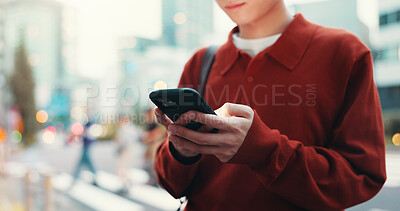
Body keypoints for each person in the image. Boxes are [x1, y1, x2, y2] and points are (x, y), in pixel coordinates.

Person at [154, 0, 386, 210]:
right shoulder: (201, 62)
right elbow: (171, 184)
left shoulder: (343, 52)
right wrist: (182, 151)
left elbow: (362, 177)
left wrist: (263, 150)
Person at [115, 115, 142, 194]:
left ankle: (125, 186)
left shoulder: (125, 129)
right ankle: (126, 185)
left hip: (127, 151)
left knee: (122, 169)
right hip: (130, 151)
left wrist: (119, 146)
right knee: (126, 169)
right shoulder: (131, 128)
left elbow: (124, 141)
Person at [141, 108, 165, 186]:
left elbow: (159, 133)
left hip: (154, 146)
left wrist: (149, 138)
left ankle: (155, 180)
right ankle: (152, 179)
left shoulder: (155, 124)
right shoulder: (148, 125)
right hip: (149, 146)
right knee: (146, 164)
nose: (147, 117)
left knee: (153, 164)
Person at [72, 121, 98, 186]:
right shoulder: (88, 122)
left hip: (87, 145)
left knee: (86, 161)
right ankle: (75, 176)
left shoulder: (90, 123)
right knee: (84, 161)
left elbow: (88, 133)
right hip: (86, 145)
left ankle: (75, 177)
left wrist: (82, 133)